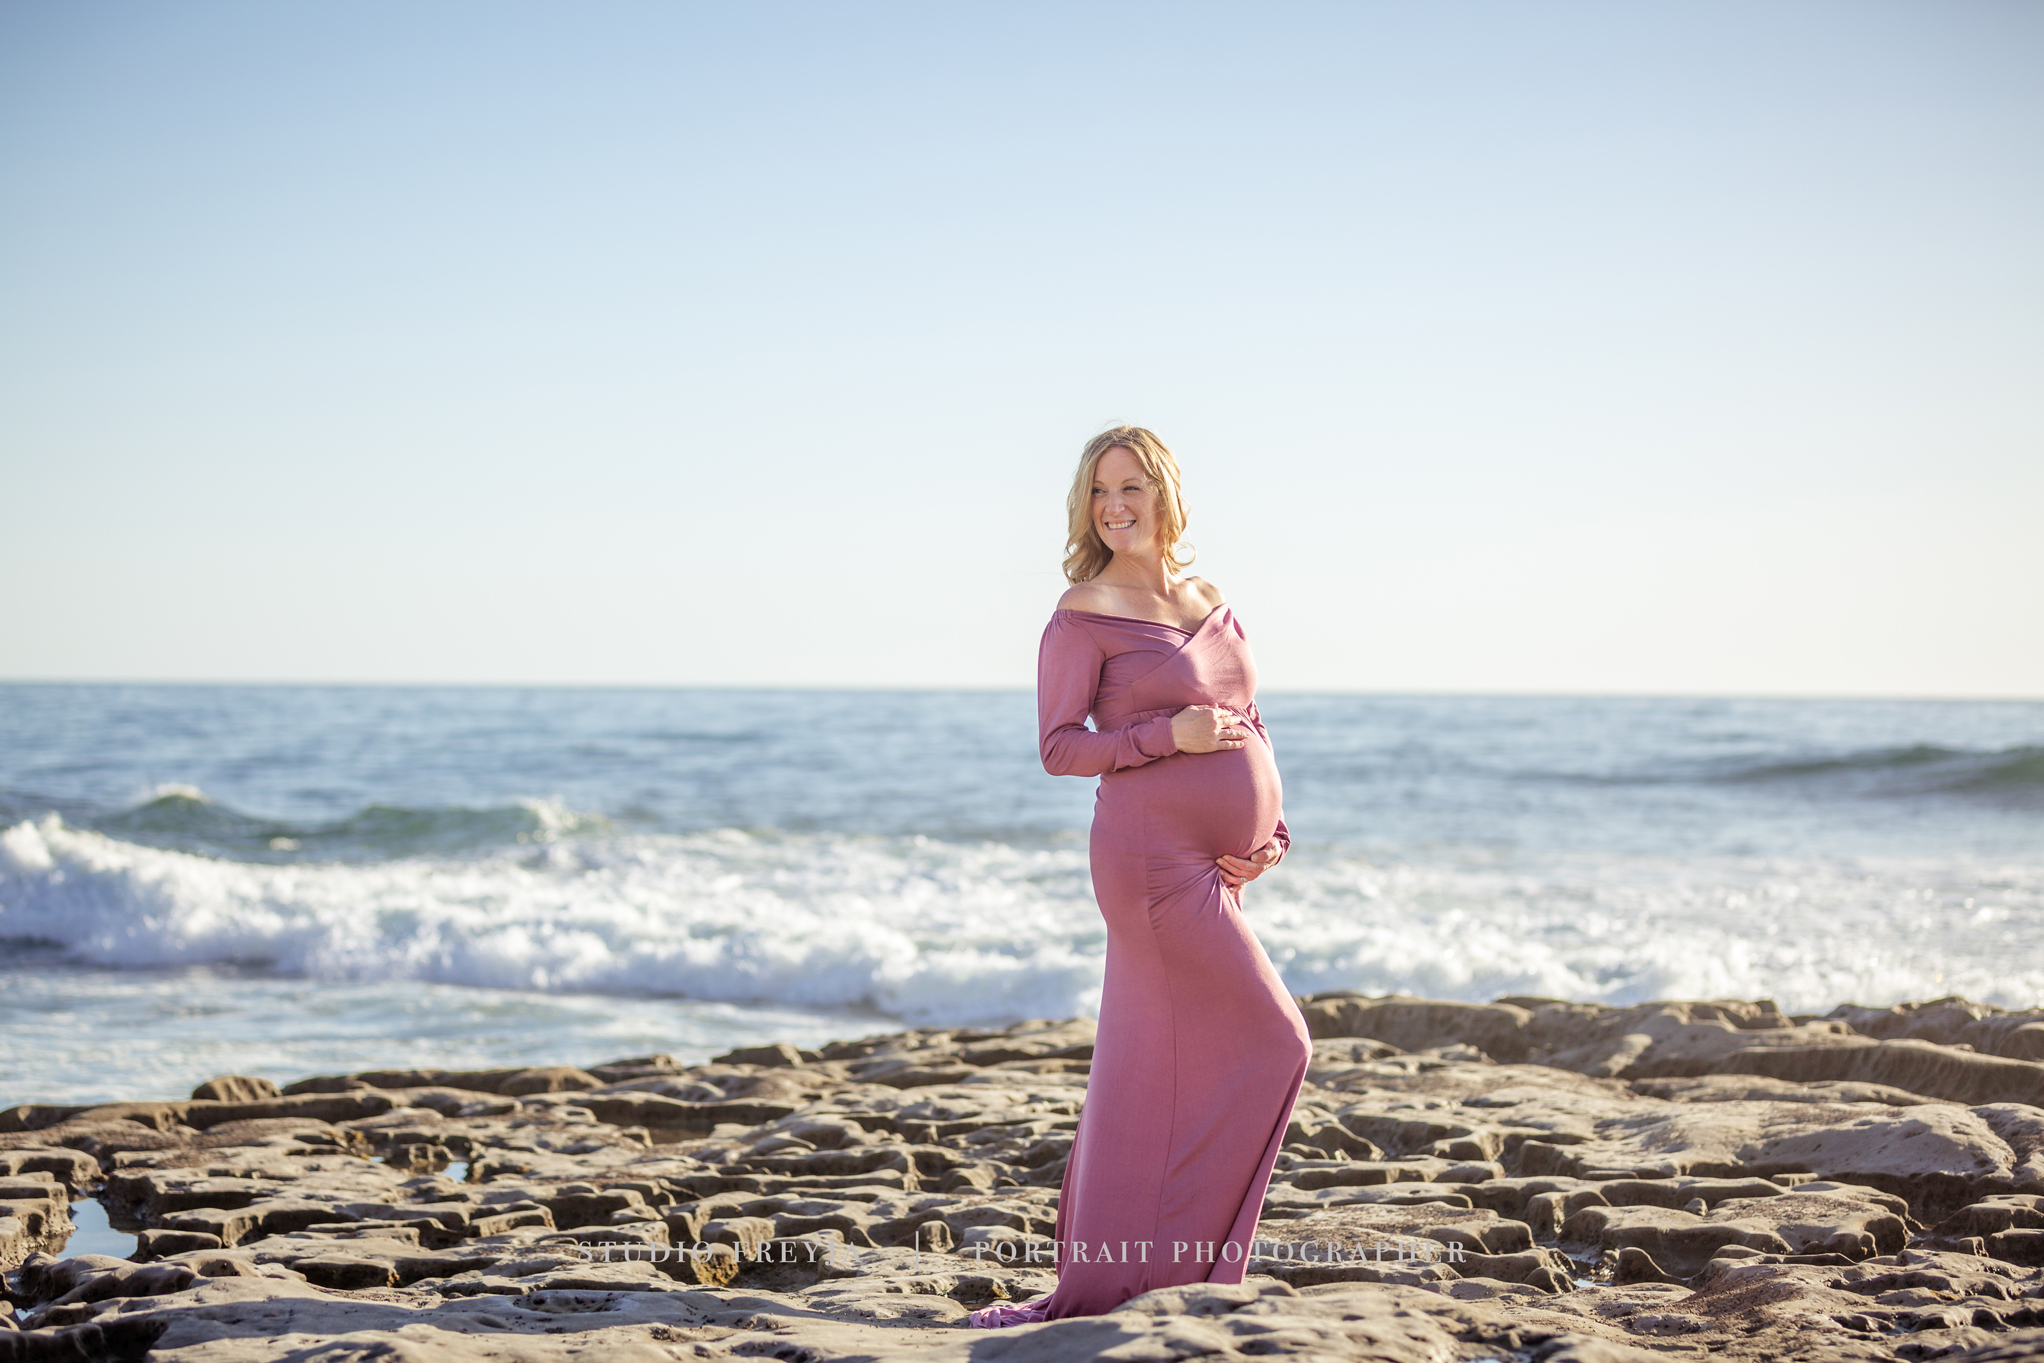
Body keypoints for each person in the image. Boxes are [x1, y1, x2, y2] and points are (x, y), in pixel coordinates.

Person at [967, 426, 1312, 1326]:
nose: (1114, 505)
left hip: (1214, 863)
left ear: (1165, 492)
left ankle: (1154, 1272)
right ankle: (1162, 1269)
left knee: (1148, 1070)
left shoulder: (1208, 595)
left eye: (1130, 486)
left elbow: (1247, 712)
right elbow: (1057, 747)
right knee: (1277, 1042)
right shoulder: (1082, 610)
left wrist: (1272, 828)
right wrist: (1167, 737)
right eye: (1097, 491)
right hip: (1148, 865)